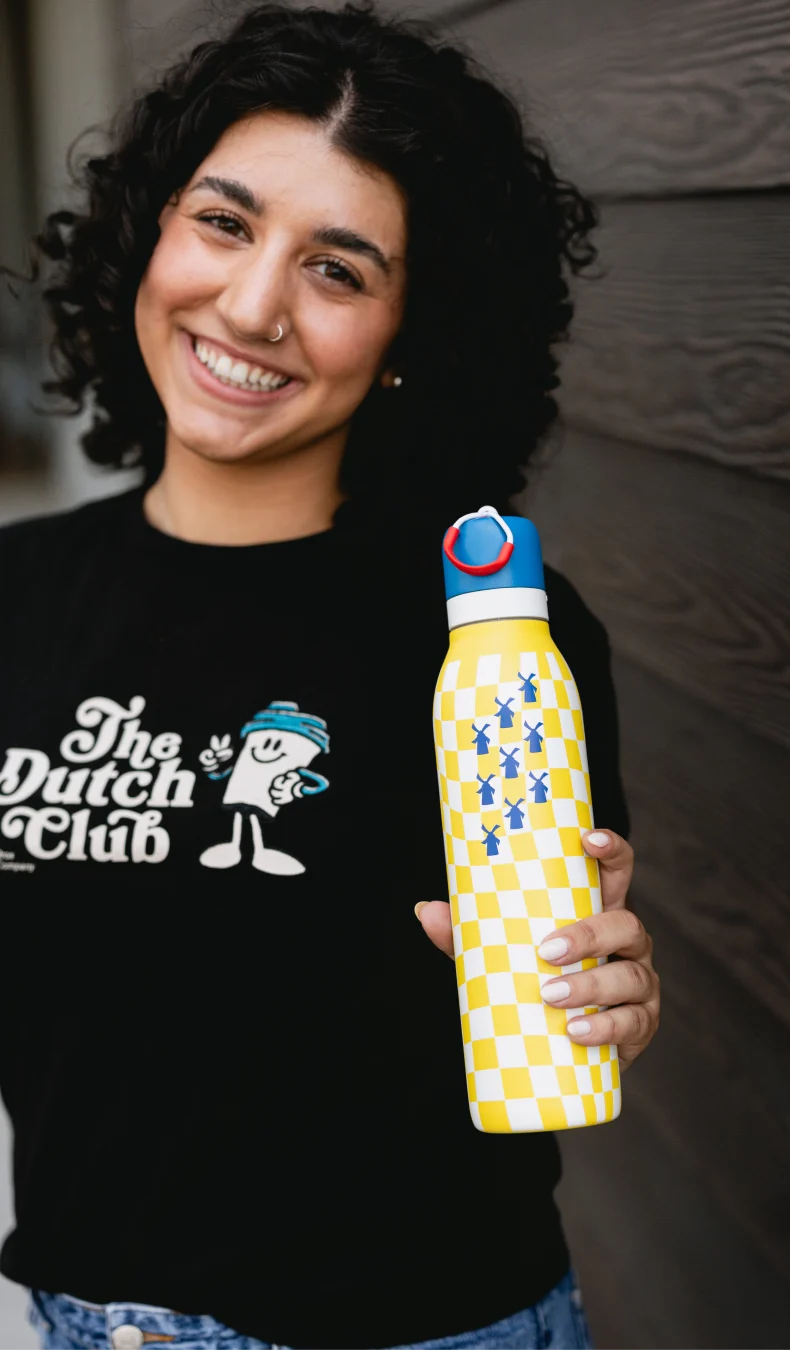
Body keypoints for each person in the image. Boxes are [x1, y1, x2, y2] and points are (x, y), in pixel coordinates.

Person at [0, 4, 661, 1349]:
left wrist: (599, 987)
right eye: (226, 223)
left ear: (416, 326)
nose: (252, 306)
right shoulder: (17, 595)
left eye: (340, 270)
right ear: (151, 231)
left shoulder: (491, 640)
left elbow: (544, 993)